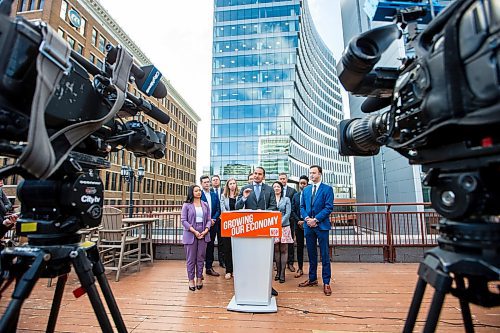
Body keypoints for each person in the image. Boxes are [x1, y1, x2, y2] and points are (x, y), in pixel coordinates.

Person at [236, 166, 279, 296]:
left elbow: (274, 206)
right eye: (255, 173)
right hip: (249, 230)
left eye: (260, 174)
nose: (257, 176)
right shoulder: (245, 188)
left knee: (264, 259)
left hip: (264, 229)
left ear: (263, 177)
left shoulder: (269, 189)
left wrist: (264, 212)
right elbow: (237, 207)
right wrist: (243, 198)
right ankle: (249, 285)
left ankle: (266, 286)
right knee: (250, 258)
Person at [299, 165, 334, 296]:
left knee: (324, 255)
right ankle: (312, 278)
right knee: (311, 254)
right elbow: (302, 206)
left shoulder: (327, 189)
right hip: (308, 226)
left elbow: (329, 207)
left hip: (322, 226)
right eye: (310, 173)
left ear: (320, 174)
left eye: (314, 173)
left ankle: (326, 282)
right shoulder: (306, 190)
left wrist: (316, 219)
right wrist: (307, 218)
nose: (311, 175)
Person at [181, 185, 212, 291]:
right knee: (190, 259)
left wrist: (206, 230)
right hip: (191, 234)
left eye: (199, 190)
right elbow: (183, 220)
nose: (199, 192)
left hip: (203, 233)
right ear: (192, 192)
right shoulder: (186, 205)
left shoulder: (205, 204)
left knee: (200, 258)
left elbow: (208, 219)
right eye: (196, 191)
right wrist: (194, 231)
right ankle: (191, 280)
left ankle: (199, 278)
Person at [200, 175, 221, 277]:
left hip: (213, 224)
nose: (207, 184)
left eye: (208, 182)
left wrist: (213, 219)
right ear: (201, 184)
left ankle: (209, 267)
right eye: (205, 182)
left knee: (211, 246)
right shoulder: (199, 195)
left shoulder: (214, 195)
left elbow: (218, 209)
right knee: (201, 247)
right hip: (202, 225)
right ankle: (199, 269)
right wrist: (207, 220)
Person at [272, 181, 292, 283]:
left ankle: (282, 273)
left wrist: (280, 223)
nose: (276, 188)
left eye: (278, 186)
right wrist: (275, 224)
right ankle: (278, 272)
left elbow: (288, 213)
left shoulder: (286, 199)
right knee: (276, 249)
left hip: (284, 226)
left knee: (284, 249)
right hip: (273, 227)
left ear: (281, 188)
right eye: (274, 186)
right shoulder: (270, 199)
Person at [219, 177, 239, 279]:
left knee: (237, 249)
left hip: (238, 224)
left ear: (236, 185)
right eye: (230, 183)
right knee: (227, 248)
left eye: (233, 183)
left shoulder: (239, 196)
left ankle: (236, 270)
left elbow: (241, 208)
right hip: (227, 224)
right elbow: (223, 209)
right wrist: (231, 216)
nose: (232, 185)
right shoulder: (223, 196)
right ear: (227, 185)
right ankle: (228, 270)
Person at [278, 172, 297, 272]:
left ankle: (290, 263)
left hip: (290, 221)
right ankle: (278, 264)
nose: (282, 181)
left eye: (283, 179)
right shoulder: (275, 190)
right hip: (277, 223)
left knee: (289, 242)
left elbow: (292, 206)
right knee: (277, 243)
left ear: (287, 179)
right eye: (280, 179)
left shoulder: (292, 191)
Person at [292, 175, 309, 278]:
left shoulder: (311, 195)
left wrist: (305, 221)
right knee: (299, 247)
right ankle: (300, 268)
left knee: (311, 246)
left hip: (309, 224)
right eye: (300, 183)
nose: (302, 185)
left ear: (307, 184)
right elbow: (293, 210)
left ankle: (312, 270)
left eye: (304, 183)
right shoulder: (296, 196)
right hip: (298, 225)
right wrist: (298, 221)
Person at [210, 175, 225, 268]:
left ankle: (222, 261)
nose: (215, 181)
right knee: (210, 241)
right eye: (214, 180)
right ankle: (209, 261)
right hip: (213, 219)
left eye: (217, 180)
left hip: (223, 219)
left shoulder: (224, 190)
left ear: (219, 181)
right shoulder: (209, 192)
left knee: (222, 241)